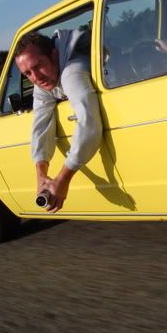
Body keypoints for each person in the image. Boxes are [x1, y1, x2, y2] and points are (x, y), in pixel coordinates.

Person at [13, 28, 102, 213]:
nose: (36, 78)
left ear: (54, 54)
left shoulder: (71, 72)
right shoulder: (44, 82)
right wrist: (40, 175)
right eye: (28, 73)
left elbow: (89, 124)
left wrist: (63, 179)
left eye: (38, 66)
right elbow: (41, 126)